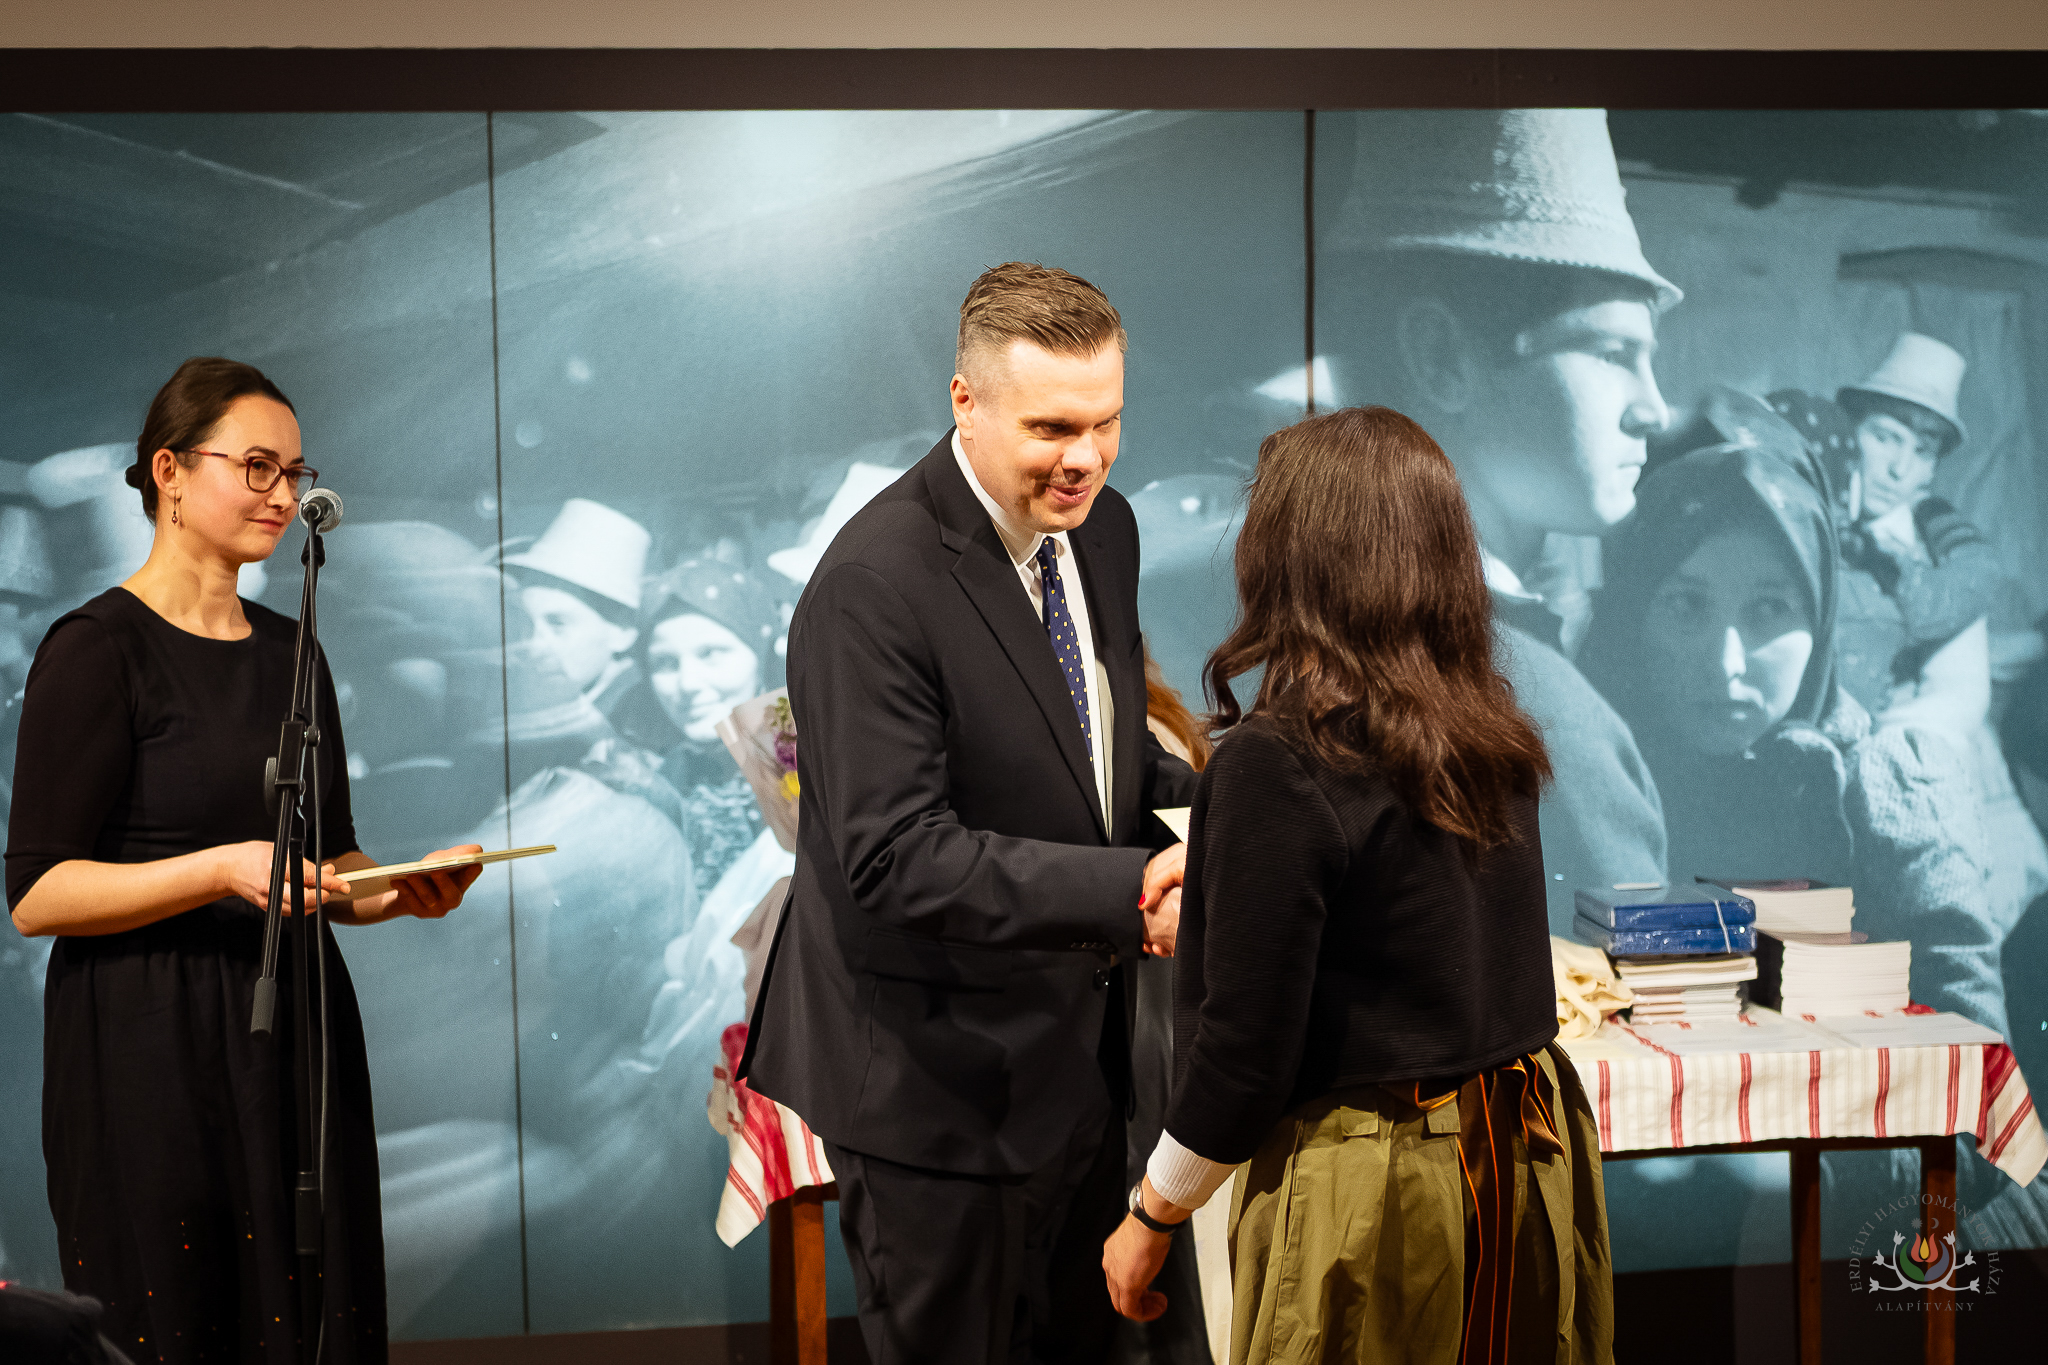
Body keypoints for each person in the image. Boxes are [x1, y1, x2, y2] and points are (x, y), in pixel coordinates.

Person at [742, 263, 1198, 1363]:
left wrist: (1239, 810)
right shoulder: (872, 585)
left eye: (1106, 422)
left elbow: (1099, 753)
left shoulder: (1105, 528)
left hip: (1077, 1071)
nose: (1085, 457)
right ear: (965, 403)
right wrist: (1132, 891)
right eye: (1051, 428)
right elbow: (896, 855)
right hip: (933, 1099)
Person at [1103, 406, 1610, 1363]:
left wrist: (1150, 1214)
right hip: (1527, 1156)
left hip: (1379, 1193)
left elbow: (1241, 1061)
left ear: (1285, 557)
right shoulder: (1488, 730)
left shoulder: (1280, 758)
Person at [5, 357, 485, 1364]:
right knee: (179, 1317)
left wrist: (396, 891)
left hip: (296, 1031)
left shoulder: (291, 650)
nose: (283, 494)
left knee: (310, 1312)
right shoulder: (96, 647)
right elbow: (39, 893)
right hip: (146, 1034)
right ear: (170, 470)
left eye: (294, 471)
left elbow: (326, 857)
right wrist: (217, 869)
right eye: (257, 466)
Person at [1320, 108, 1680, 936]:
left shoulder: (1291, 611)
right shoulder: (1538, 716)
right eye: (1612, 352)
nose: (1654, 408)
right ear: (1442, 357)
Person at [1576, 434, 2008, 1036]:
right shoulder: (1587, 776)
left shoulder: (1886, 789)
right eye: (1687, 605)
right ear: (1636, 614)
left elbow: (1977, 1060)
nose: (1727, 663)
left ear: (1821, 618)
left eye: (1768, 610)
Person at [638, 556, 787, 890]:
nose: (688, 683)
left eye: (712, 654)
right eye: (665, 663)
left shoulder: (805, 762)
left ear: (760, 653)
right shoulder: (668, 776)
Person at [505, 496, 652, 718]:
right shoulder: (556, 705)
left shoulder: (638, 723)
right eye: (524, 623)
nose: (532, 647)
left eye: (558, 625)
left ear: (621, 631)